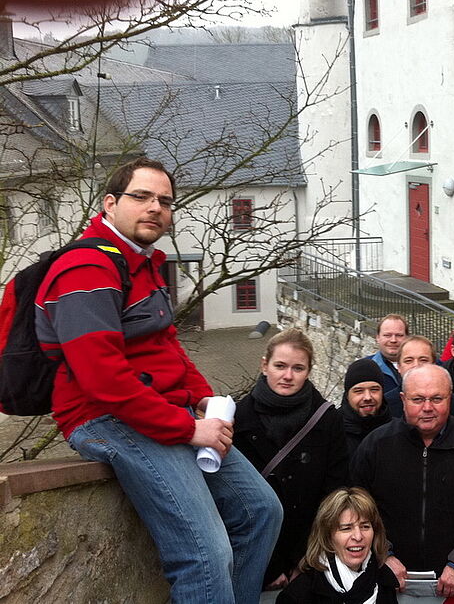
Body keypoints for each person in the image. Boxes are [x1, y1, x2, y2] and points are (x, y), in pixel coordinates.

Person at [35, 157, 282, 604]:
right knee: (205, 554)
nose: (155, 208)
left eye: (165, 201)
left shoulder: (141, 263)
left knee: (260, 512)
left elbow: (167, 345)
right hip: (104, 416)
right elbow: (103, 380)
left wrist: (201, 399)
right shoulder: (86, 269)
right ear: (110, 203)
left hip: (160, 410)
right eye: (142, 197)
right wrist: (188, 428)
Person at [352, 364, 454, 598]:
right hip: (387, 579)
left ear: (450, 398)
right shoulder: (376, 445)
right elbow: (357, 509)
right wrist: (383, 554)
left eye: (437, 399)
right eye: (418, 399)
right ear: (403, 399)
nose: (428, 408)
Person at [234, 328, 350, 589]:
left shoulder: (327, 420)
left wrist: (305, 558)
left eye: (298, 368)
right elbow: (231, 501)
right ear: (264, 366)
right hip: (255, 554)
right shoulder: (238, 418)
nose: (288, 376)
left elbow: (334, 493)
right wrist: (267, 565)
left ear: (308, 371)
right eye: (280, 366)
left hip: (308, 556)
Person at [277, 487, 399, 604]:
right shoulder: (298, 595)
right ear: (327, 536)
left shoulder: (385, 583)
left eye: (365, 526)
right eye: (346, 528)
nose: (358, 536)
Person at [384, 336, 454, 418]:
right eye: (408, 361)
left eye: (423, 360)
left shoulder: (452, 402)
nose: (416, 365)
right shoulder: (386, 404)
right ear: (399, 366)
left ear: (434, 364)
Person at [340, 357, 392, 456]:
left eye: (374, 390)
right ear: (347, 395)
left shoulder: (396, 431)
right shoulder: (332, 430)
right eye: (359, 391)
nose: (367, 397)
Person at [367, 314, 409, 397]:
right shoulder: (365, 368)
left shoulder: (427, 365)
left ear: (407, 338)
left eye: (399, 335)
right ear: (378, 338)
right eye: (387, 335)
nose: (393, 340)